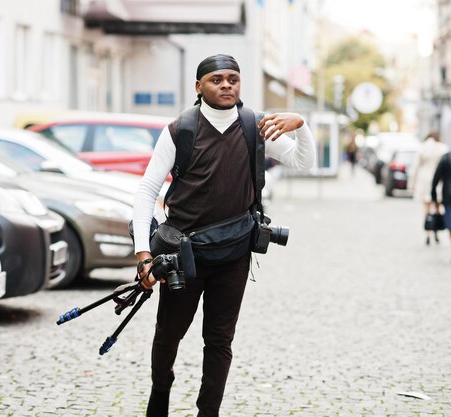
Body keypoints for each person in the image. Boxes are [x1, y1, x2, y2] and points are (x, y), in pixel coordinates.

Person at [132, 54, 315, 417]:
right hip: (183, 257)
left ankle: (208, 411)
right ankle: (160, 392)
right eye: (217, 79)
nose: (227, 84)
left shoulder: (255, 126)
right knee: (169, 334)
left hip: (233, 255)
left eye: (233, 78)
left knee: (219, 340)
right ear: (199, 87)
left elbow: (302, 162)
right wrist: (143, 254)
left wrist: (301, 125)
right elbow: (146, 191)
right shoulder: (180, 130)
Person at [410, 131, 449, 245]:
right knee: (437, 207)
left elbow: (415, 167)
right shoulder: (442, 148)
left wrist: (412, 184)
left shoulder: (422, 148)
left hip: (424, 181)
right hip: (439, 182)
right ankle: (436, 230)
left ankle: (428, 233)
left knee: (426, 209)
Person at [430, 142, 451, 261]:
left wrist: (434, 198)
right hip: (448, 198)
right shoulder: (445, 159)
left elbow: (435, 180)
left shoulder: (445, 158)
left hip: (448, 197)